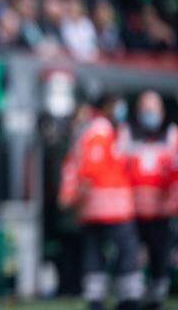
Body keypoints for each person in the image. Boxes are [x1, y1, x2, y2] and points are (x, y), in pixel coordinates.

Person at [59, 94, 143, 310]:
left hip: (94, 208)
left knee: (95, 253)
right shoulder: (99, 131)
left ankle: (97, 298)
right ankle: (127, 298)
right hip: (111, 207)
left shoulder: (103, 130)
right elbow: (90, 170)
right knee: (124, 251)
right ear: (106, 107)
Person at [125, 91, 177, 310]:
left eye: (153, 108)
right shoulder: (128, 136)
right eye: (145, 108)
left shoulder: (172, 136)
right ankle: (132, 298)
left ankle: (156, 299)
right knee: (132, 258)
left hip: (162, 212)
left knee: (159, 258)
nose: (149, 113)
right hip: (132, 211)